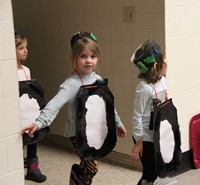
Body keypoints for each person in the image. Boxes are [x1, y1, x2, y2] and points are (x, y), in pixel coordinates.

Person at [22, 31, 127, 185]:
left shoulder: (98, 80)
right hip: (77, 133)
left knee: (89, 166)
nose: (88, 61)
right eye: (83, 56)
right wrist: (39, 123)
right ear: (75, 59)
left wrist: (118, 123)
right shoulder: (71, 84)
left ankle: (75, 178)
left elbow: (108, 105)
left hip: (94, 131)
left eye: (92, 56)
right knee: (92, 165)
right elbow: (54, 105)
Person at [130, 39, 167, 185]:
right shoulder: (144, 89)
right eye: (165, 59)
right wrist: (139, 142)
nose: (167, 62)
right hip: (144, 137)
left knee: (156, 171)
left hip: (157, 134)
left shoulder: (163, 81)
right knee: (150, 173)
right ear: (157, 65)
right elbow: (137, 115)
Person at [15, 32, 47, 183]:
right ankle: (17, 168)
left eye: (26, 47)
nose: (25, 50)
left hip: (29, 112)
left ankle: (33, 168)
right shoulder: (8, 72)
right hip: (16, 113)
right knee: (18, 141)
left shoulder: (26, 70)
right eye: (21, 48)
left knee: (33, 137)